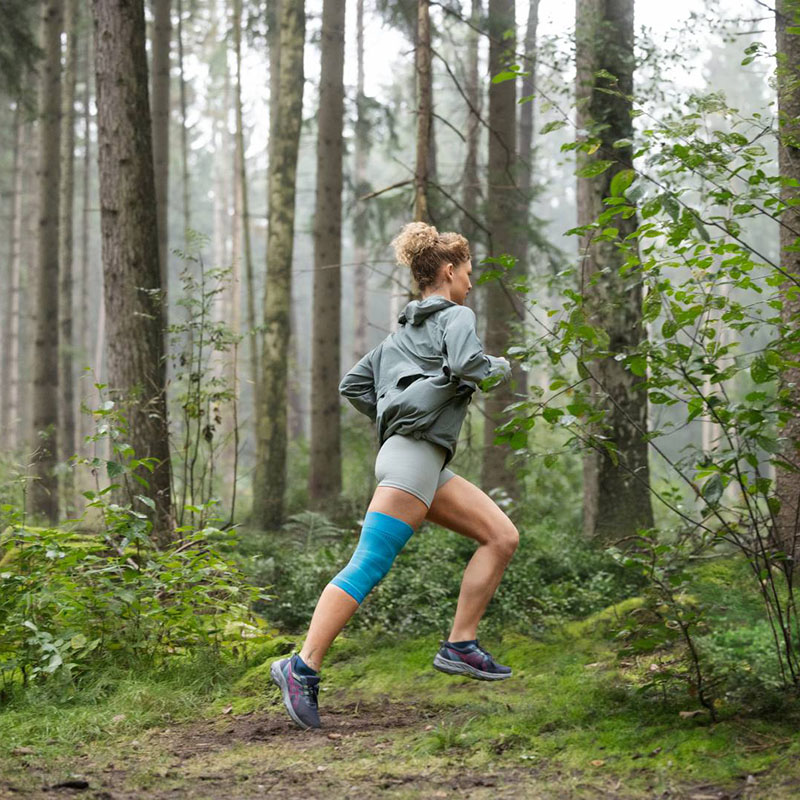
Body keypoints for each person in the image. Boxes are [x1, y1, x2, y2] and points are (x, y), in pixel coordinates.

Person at [271, 221, 520, 730]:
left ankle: (460, 644)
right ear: (447, 271)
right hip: (413, 459)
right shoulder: (457, 316)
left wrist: (397, 413)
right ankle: (302, 666)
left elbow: (353, 385)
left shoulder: (399, 336)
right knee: (368, 564)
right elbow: (468, 365)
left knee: (501, 536)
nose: (470, 282)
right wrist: (498, 367)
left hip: (417, 460)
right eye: (467, 272)